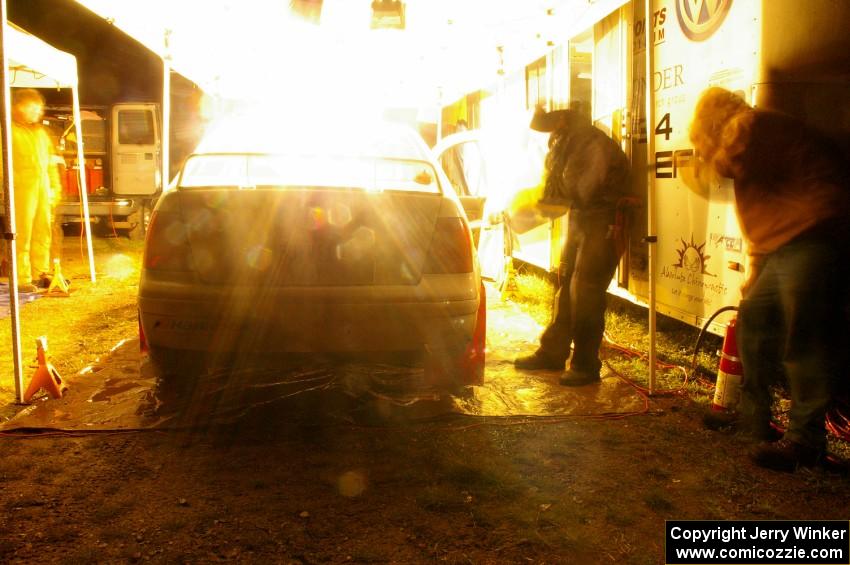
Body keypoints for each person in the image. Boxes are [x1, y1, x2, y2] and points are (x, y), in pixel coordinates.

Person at [690, 87, 850, 472]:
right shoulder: (749, 140)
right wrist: (757, 265)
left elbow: (728, 160)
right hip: (781, 245)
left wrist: (701, 157)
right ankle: (753, 422)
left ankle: (804, 441)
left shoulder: (751, 124)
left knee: (804, 342)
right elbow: (764, 210)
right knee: (755, 326)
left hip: (813, 235)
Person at [513, 105, 632, 386]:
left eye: (548, 124)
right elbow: (561, 190)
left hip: (604, 219)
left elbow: (578, 189)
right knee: (566, 284)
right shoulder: (567, 138)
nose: (547, 132)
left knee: (586, 291)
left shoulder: (591, 143)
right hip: (582, 217)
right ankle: (553, 352)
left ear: (563, 118)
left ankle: (586, 365)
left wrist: (530, 211)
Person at [10, 88, 61, 294]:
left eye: (38, 108)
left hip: (41, 189)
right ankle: (21, 277)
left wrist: (54, 188)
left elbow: (50, 164)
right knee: (21, 233)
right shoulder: (8, 131)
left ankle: (40, 272)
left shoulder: (40, 133)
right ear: (18, 107)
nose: (36, 112)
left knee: (42, 231)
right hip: (20, 190)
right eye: (31, 107)